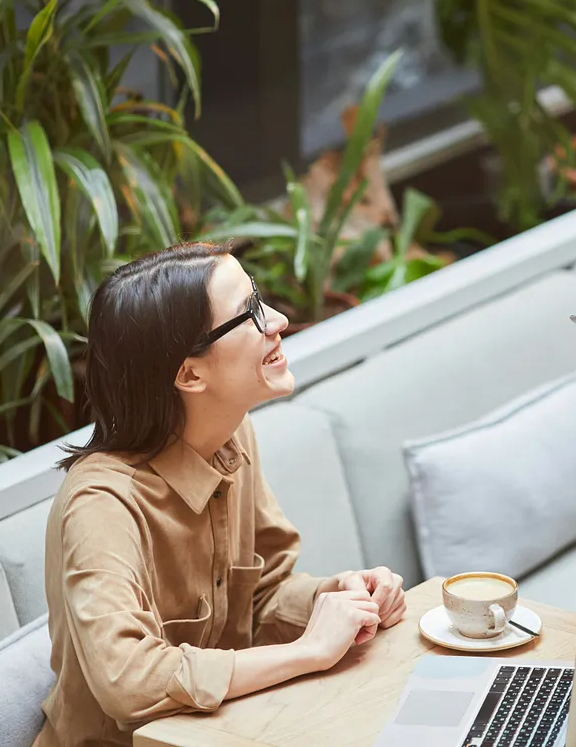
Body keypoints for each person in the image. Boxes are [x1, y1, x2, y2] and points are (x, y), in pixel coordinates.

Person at [33, 243, 407, 747]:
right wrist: (309, 651)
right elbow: (128, 683)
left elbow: (263, 596)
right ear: (189, 374)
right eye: (248, 313)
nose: (276, 320)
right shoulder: (101, 504)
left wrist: (336, 597)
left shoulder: (232, 435)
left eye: (260, 300)